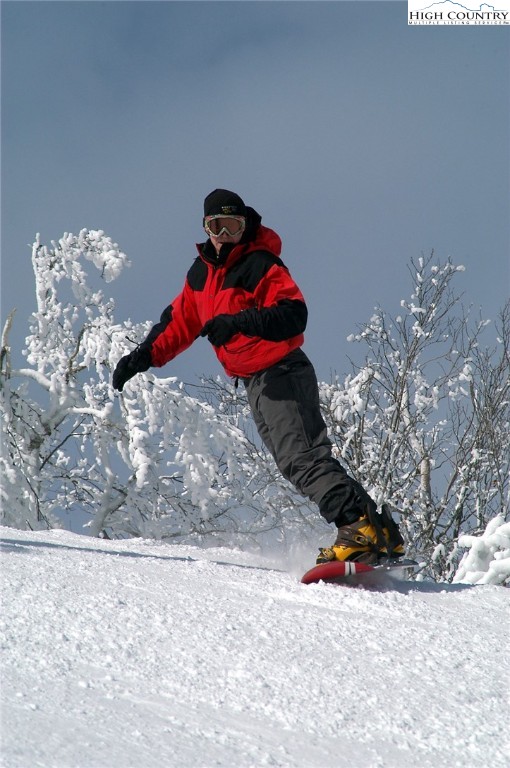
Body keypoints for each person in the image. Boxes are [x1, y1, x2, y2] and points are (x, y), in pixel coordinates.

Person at [112, 189, 405, 564]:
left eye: (232, 225)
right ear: (205, 228)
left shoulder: (260, 264)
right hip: (256, 380)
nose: (224, 234)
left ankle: (356, 527)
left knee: (303, 458)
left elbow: (293, 314)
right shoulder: (200, 275)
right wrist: (141, 356)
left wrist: (238, 322)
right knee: (295, 461)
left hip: (281, 369)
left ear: (245, 226)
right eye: (215, 226)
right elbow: (177, 322)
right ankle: (378, 532)